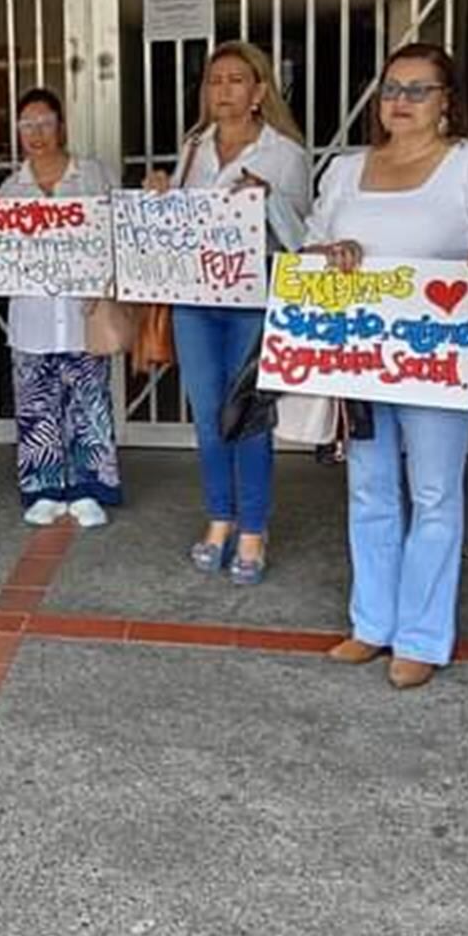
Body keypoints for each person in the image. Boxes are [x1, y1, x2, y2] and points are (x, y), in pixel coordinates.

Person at [303, 43, 468, 690]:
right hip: (361, 352)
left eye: (418, 90)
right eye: (392, 89)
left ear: (447, 101)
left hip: (438, 357)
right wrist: (331, 250)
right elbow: (312, 244)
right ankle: (372, 622)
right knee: (368, 485)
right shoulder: (345, 170)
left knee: (433, 492)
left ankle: (422, 634)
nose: (401, 102)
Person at [148, 41, 312, 582]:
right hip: (196, 298)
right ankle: (219, 516)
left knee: (248, 417)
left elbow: (304, 241)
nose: (223, 90)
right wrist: (162, 196)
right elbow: (183, 225)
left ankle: (253, 528)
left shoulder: (284, 153)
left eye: (235, 80)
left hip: (253, 298)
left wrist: (269, 199)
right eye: (215, 81)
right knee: (207, 416)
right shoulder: (194, 147)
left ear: (260, 90)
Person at [0, 88, 120, 527]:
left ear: (61, 126)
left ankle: (90, 488)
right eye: (27, 125)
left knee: (88, 403)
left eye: (45, 122)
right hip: (32, 316)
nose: (36, 133)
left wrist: (106, 282)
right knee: (37, 406)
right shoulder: (10, 188)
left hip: (83, 312)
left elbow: (116, 234)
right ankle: (44, 488)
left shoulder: (92, 176)